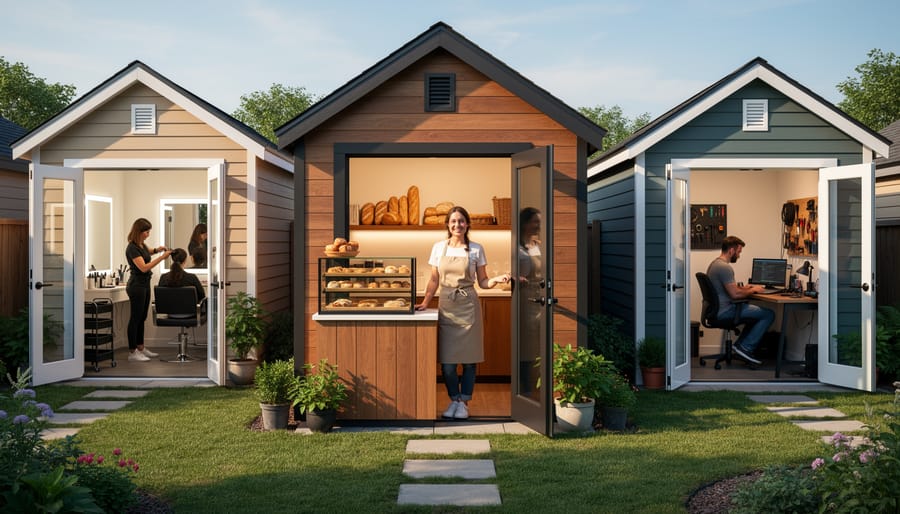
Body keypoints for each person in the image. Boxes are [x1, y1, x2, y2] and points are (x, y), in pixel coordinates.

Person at [415, 206, 510, 420]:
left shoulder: (476, 249)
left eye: (461, 221)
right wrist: (425, 302)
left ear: (467, 224)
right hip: (447, 306)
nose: (457, 225)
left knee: (469, 361)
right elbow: (434, 279)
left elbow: (483, 282)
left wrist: (496, 280)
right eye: (453, 221)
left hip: (469, 306)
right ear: (448, 225)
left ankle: (463, 403)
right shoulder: (438, 248)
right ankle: (454, 399)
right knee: (448, 364)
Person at [707, 236, 775, 365]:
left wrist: (745, 288)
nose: (739, 256)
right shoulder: (724, 268)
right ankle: (745, 347)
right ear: (731, 250)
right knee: (768, 314)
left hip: (718, 310)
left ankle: (740, 347)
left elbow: (731, 289)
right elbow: (735, 295)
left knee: (755, 315)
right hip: (726, 311)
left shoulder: (715, 264)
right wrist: (753, 290)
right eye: (738, 252)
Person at [125, 218, 172, 362]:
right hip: (136, 286)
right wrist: (162, 258)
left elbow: (147, 253)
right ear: (139, 231)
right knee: (135, 318)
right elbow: (144, 267)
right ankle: (132, 352)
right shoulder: (132, 248)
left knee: (142, 317)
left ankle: (141, 347)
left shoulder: (141, 245)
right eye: (146, 231)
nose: (148, 234)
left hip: (145, 284)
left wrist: (157, 250)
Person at [517, 207, 543, 396]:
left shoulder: (539, 245)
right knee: (527, 344)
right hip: (525, 298)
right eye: (534, 221)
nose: (537, 225)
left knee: (540, 342)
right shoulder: (517, 247)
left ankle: (541, 386)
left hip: (541, 296)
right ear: (525, 223)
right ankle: (525, 388)